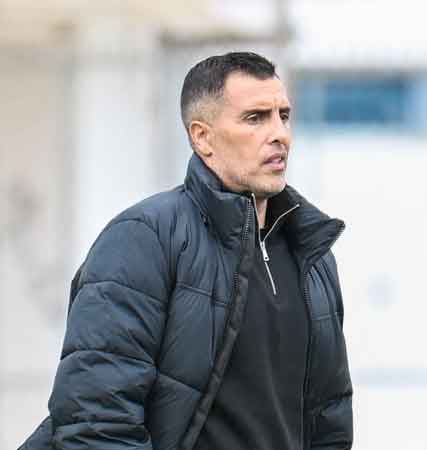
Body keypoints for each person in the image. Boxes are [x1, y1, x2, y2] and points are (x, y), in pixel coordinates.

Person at [20, 52, 353, 450]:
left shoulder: (313, 254)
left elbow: (329, 419)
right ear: (202, 137)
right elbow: (96, 420)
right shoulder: (143, 238)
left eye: (283, 115)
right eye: (255, 118)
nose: (279, 133)